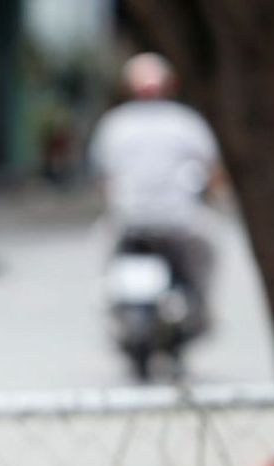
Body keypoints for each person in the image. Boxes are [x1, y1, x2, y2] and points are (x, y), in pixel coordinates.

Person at [90, 52, 222, 327]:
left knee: (101, 245)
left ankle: (112, 307)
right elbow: (212, 172)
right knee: (209, 248)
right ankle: (203, 307)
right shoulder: (186, 122)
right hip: (177, 220)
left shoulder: (115, 124)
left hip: (131, 219)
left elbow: (102, 177)